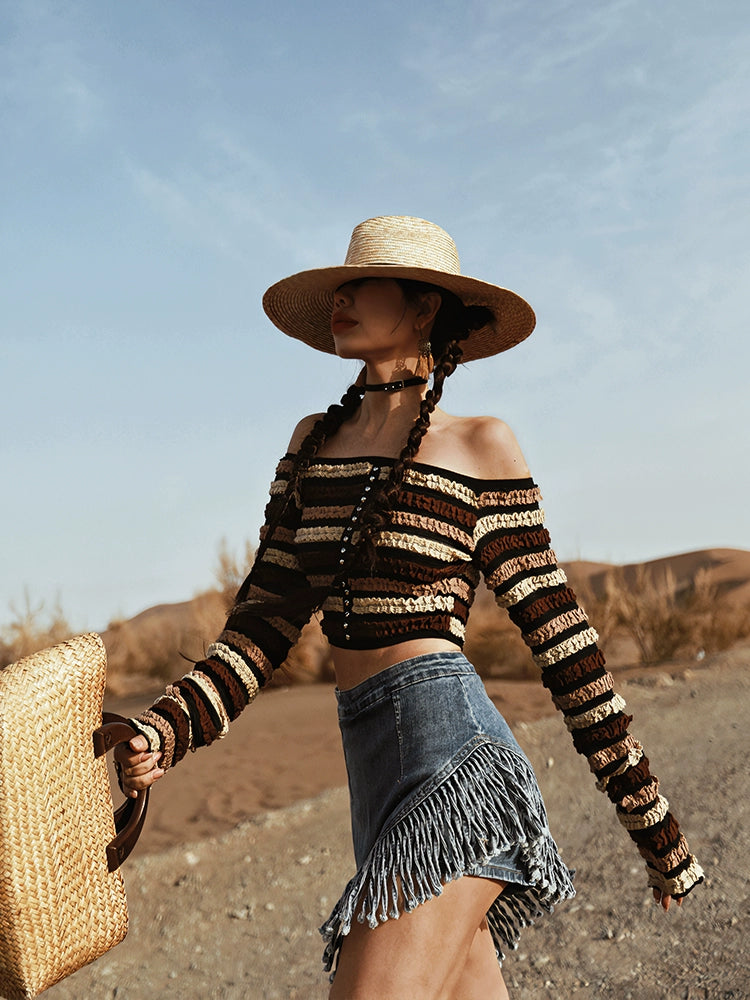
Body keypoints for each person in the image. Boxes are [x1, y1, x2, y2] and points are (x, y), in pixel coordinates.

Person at [116, 216, 703, 999]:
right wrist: (167, 727)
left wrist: (655, 829)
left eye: (364, 284)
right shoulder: (309, 448)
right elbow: (260, 626)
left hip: (455, 769)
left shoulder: (480, 446)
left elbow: (567, 649)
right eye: (339, 286)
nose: (343, 297)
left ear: (425, 308)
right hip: (373, 772)